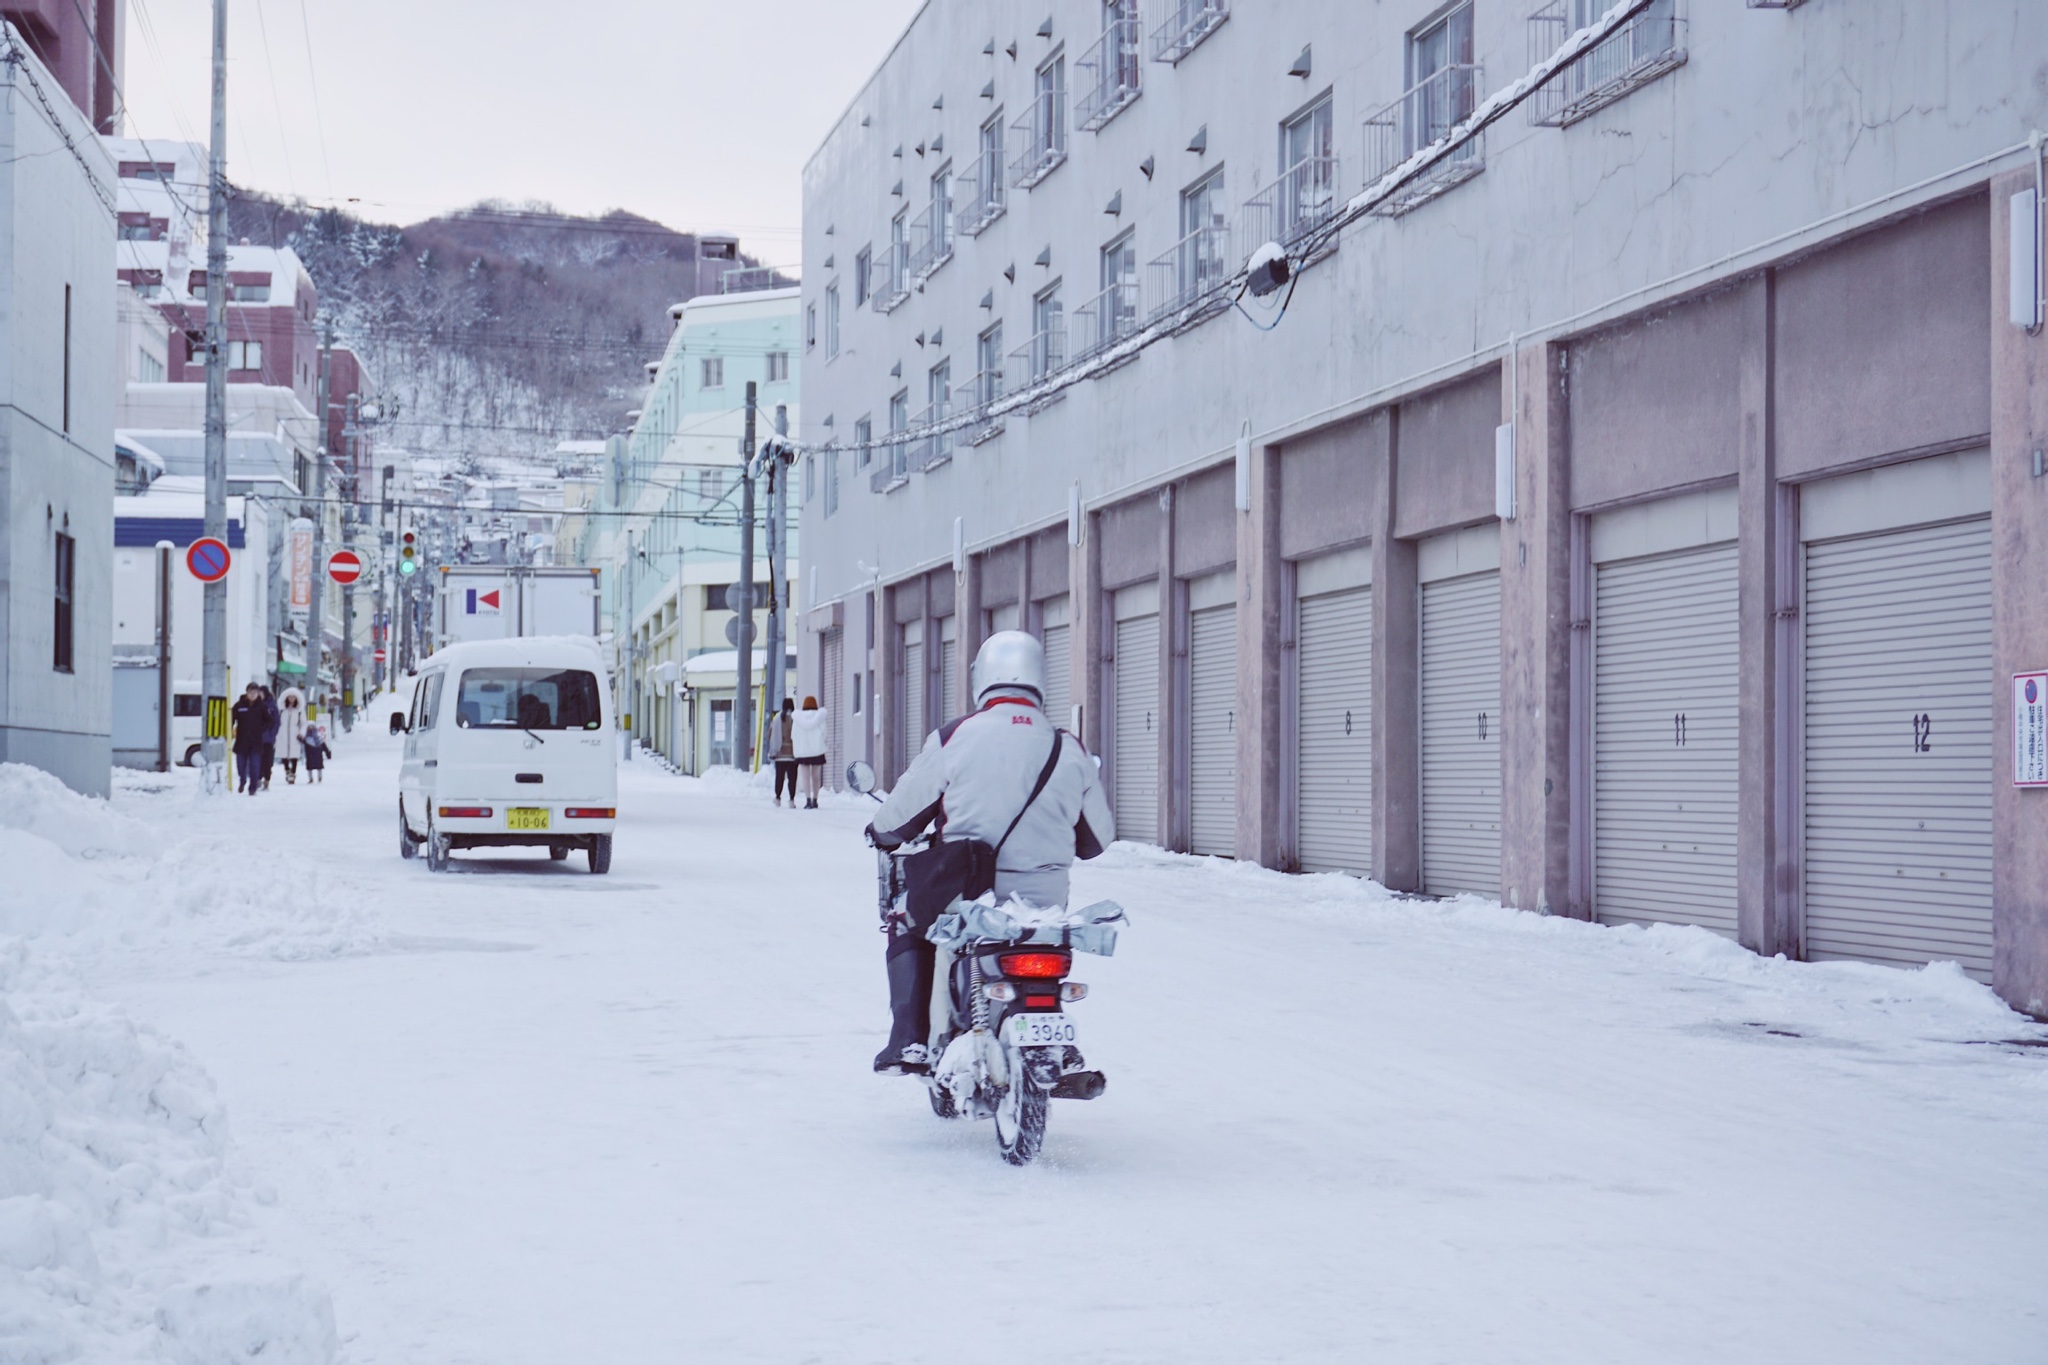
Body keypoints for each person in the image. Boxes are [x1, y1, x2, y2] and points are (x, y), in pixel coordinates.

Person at [864, 630, 1114, 1074]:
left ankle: (911, 1040)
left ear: (984, 679)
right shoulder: (1068, 747)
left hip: (968, 898)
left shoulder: (956, 736)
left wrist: (882, 833)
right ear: (1038, 679)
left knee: (905, 917)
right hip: (1042, 908)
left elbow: (901, 814)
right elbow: (1098, 840)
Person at [229, 683, 268, 796]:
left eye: (255, 692)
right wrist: (230, 731)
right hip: (242, 740)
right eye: (250, 692)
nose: (252, 695)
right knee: (241, 765)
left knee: (255, 766)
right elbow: (231, 718)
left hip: (256, 742)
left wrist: (262, 729)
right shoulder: (239, 705)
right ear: (247, 693)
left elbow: (269, 721)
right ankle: (242, 781)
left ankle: (253, 787)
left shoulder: (262, 706)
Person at [792, 696, 828, 809]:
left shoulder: (797, 719)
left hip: (803, 751)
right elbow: (824, 734)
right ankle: (815, 800)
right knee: (816, 776)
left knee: (805, 776)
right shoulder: (820, 718)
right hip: (817, 750)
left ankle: (807, 800)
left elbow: (794, 735)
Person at [766, 696, 798, 807]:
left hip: (780, 754)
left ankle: (778, 798)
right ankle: (791, 800)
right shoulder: (796, 718)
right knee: (792, 779)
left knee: (779, 777)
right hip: (793, 754)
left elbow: (769, 733)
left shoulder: (777, 718)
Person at [276, 687, 306, 783]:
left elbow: (304, 723)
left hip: (294, 734)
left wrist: (301, 732)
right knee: (283, 754)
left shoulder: (299, 711)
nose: (292, 699)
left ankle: (293, 773)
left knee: (294, 755)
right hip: (282, 734)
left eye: (294, 697)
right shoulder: (281, 710)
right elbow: (276, 722)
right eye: (290, 697)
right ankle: (287, 770)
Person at [257, 685, 281, 790]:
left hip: (268, 739)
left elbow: (276, 722)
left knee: (267, 761)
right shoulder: (255, 705)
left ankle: (266, 780)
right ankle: (257, 780)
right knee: (256, 760)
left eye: (261, 693)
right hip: (256, 738)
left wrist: (271, 735)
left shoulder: (272, 706)